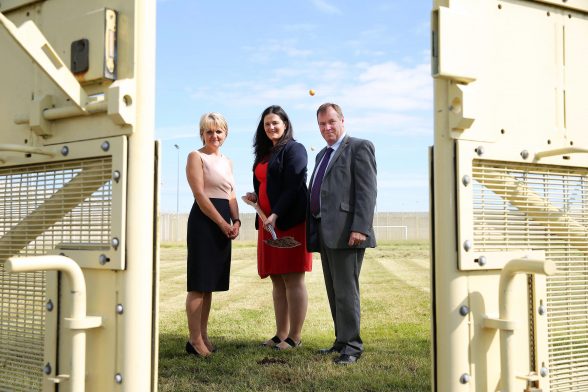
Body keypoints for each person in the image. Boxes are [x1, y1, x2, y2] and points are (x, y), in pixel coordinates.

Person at [306, 103, 377, 365]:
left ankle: (352, 346)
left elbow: (367, 191)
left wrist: (360, 227)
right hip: (325, 232)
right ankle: (341, 341)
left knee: (347, 291)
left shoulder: (359, 147)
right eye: (322, 124)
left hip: (348, 232)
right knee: (334, 290)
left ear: (342, 120)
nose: (327, 128)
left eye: (331, 122)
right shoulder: (321, 155)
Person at [245, 105, 312, 350]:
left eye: (275, 123)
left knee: (293, 278)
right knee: (276, 280)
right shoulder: (264, 154)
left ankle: (294, 337)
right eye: (266, 124)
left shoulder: (295, 149)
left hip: (287, 221)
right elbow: (268, 184)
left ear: (285, 124)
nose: (271, 127)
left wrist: (275, 213)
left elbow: (294, 185)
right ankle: (280, 333)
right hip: (267, 224)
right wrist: (256, 196)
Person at [185, 112, 240, 358]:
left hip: (223, 222)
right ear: (202, 134)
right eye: (209, 131)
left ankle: (203, 335)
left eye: (218, 131)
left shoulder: (227, 161)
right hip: (205, 222)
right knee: (198, 284)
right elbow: (200, 195)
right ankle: (194, 341)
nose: (214, 135)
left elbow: (230, 195)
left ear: (225, 134)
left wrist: (236, 221)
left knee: (209, 285)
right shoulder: (195, 157)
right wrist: (221, 223)